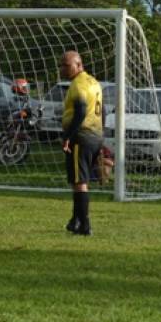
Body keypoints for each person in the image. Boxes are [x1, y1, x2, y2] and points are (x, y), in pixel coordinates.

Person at [59, 50, 103, 236]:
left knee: (79, 181)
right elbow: (104, 110)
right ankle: (75, 221)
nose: (63, 69)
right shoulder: (93, 82)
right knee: (80, 179)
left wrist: (68, 136)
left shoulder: (77, 85)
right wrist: (101, 135)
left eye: (66, 65)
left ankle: (85, 225)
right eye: (61, 65)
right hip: (95, 136)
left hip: (81, 136)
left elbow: (81, 111)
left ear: (78, 64)